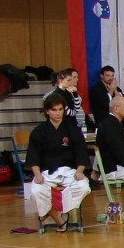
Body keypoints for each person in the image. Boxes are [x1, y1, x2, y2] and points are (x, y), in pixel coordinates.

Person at [26, 93, 91, 230]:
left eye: (60, 109)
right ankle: (57, 217)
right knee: (36, 191)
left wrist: (80, 171)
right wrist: (37, 174)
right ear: (47, 111)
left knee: (84, 187)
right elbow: (33, 155)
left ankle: (50, 212)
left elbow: (81, 152)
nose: (58, 113)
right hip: (47, 172)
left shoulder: (72, 129)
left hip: (70, 171)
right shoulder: (39, 132)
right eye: (54, 110)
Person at [88, 65, 123, 130]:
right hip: (103, 122)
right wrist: (111, 91)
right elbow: (106, 104)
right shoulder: (96, 89)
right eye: (108, 75)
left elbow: (123, 102)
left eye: (112, 75)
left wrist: (115, 90)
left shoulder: (116, 88)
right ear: (101, 76)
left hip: (117, 122)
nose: (111, 78)